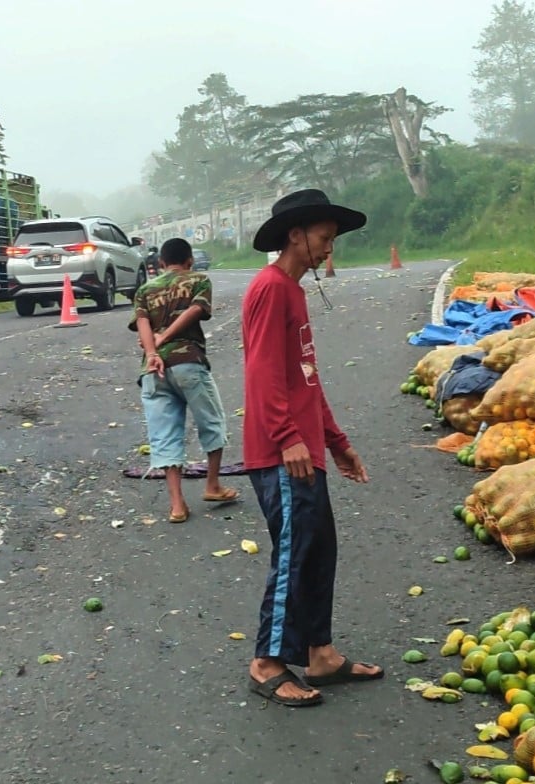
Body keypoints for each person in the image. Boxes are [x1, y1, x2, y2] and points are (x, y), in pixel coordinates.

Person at [241, 189, 382, 708]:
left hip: (304, 448)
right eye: (324, 239)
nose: (328, 250)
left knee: (319, 547)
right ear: (295, 235)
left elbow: (305, 378)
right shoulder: (270, 288)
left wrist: (335, 441)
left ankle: (319, 654)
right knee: (295, 554)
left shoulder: (295, 293)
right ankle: (266, 662)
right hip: (282, 452)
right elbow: (261, 373)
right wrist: (288, 437)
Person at [129, 237, 238, 523]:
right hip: (188, 362)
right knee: (212, 422)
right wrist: (167, 336)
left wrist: (153, 351)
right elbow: (196, 310)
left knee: (164, 435)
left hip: (153, 372)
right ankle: (212, 485)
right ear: (189, 260)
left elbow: (142, 323)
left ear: (161, 263)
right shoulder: (199, 279)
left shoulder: (144, 289)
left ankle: (177, 505)